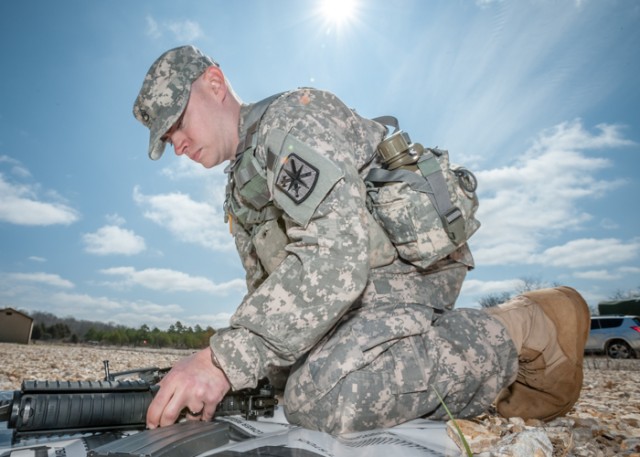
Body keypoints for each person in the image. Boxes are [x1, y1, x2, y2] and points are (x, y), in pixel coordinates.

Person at [132, 45, 590, 435]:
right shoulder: (240, 186)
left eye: (177, 123)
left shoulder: (289, 123)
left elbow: (335, 257)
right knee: (274, 385)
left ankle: (523, 325)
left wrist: (221, 360)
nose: (177, 145)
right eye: (166, 140)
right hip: (351, 293)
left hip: (399, 273)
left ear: (214, 83)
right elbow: (272, 291)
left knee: (320, 397)